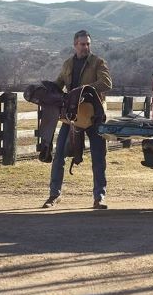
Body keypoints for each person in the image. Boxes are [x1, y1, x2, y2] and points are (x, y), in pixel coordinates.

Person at [43, 30, 112, 209]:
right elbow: (59, 84)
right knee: (59, 155)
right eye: (82, 44)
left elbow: (106, 83)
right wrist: (46, 90)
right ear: (75, 45)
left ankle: (99, 197)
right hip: (72, 116)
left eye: (88, 44)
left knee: (98, 156)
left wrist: (84, 90)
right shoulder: (68, 64)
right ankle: (54, 195)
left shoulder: (98, 62)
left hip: (93, 116)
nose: (85, 47)